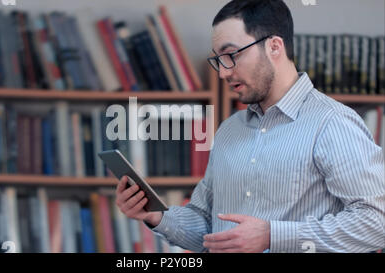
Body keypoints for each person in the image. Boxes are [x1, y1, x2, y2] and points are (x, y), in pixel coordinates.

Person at [115, 0, 385, 253]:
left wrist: (272, 235)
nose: (223, 72)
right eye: (218, 60)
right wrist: (155, 215)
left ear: (274, 47)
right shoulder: (229, 130)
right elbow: (207, 225)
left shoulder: (333, 123)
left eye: (231, 55)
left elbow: (377, 223)